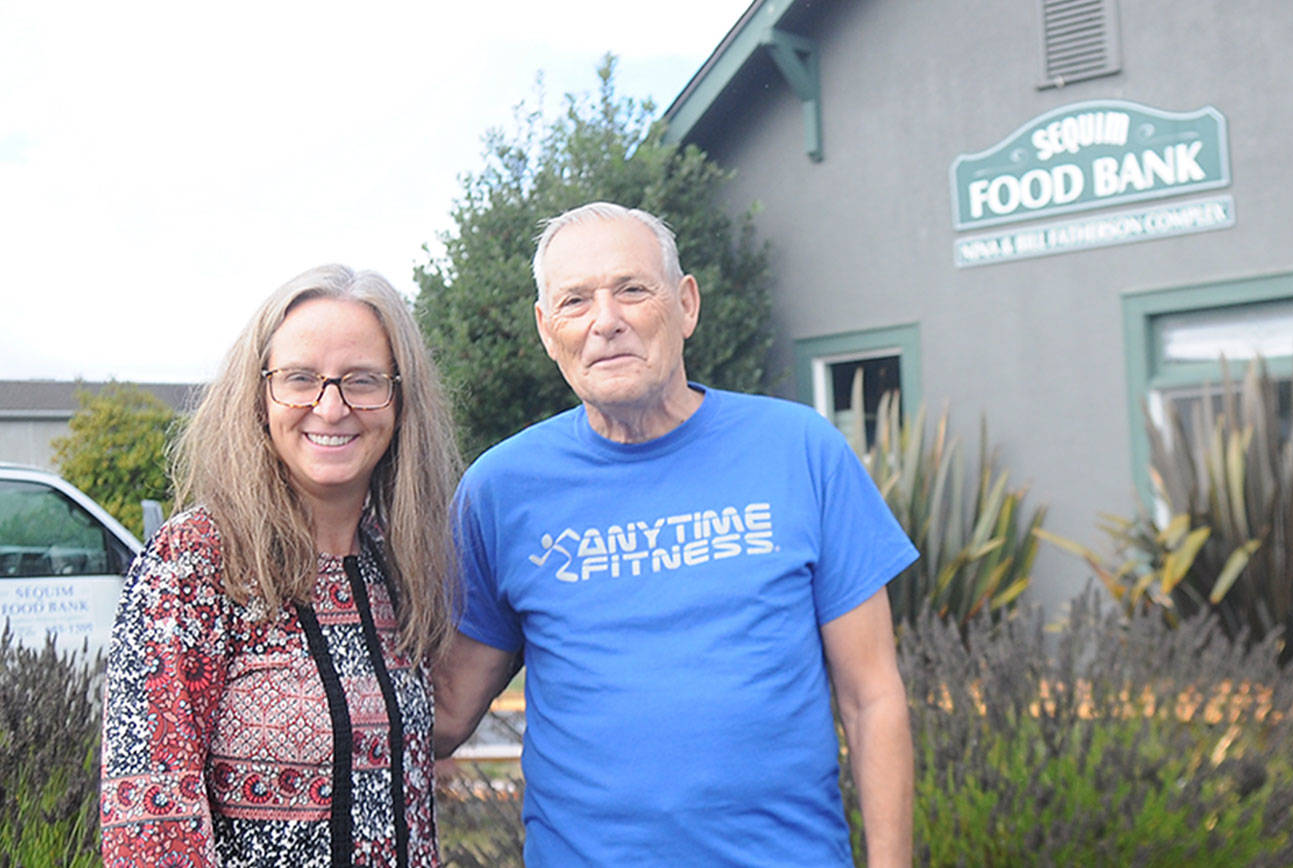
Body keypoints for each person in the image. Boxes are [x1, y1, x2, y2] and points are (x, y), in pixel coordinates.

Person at [434, 202, 919, 866]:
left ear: (685, 304)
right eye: (575, 301)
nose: (606, 321)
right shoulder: (500, 491)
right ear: (548, 331)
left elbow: (874, 699)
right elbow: (445, 713)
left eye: (632, 289)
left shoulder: (799, 450)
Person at [100, 265, 461, 867]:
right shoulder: (194, 565)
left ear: (401, 399)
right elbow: (150, 827)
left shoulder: (397, 562)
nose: (331, 406)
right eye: (300, 378)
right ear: (259, 394)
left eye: (363, 380)